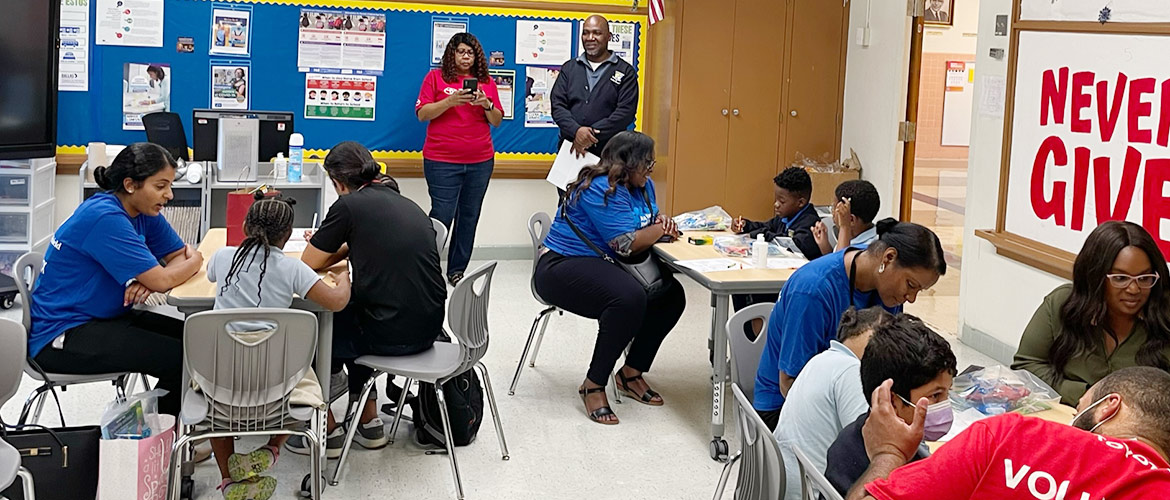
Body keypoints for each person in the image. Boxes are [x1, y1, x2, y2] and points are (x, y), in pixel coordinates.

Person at [287, 141, 447, 456]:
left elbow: (308, 263)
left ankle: (328, 428)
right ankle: (369, 420)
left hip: (390, 335)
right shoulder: (402, 201)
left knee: (318, 322)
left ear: (337, 183)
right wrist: (345, 249)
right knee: (359, 308)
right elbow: (371, 244)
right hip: (429, 330)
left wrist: (336, 255)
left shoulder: (348, 206)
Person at [28, 143, 203, 416]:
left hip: (103, 316)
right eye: (160, 186)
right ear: (131, 185)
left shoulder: (144, 211)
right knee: (181, 358)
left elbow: (174, 259)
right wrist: (194, 261)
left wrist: (152, 278)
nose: (169, 195)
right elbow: (175, 268)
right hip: (63, 334)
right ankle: (160, 443)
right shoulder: (104, 217)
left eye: (169, 185)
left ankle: (160, 427)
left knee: (197, 339)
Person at [205, 194, 351, 500]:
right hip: (276, 382)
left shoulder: (222, 256)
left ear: (245, 226)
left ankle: (228, 480)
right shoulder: (293, 269)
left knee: (217, 413)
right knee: (310, 382)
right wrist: (343, 276)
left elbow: (210, 276)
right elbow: (336, 302)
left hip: (220, 380)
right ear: (287, 236)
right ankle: (273, 447)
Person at [534, 131, 686, 425]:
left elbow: (647, 221)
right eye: (647, 163)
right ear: (628, 163)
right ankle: (593, 383)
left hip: (607, 263)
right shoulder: (601, 188)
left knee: (671, 296)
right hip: (562, 265)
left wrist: (659, 224)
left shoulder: (643, 186)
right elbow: (624, 243)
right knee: (628, 299)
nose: (651, 170)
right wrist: (660, 229)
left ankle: (631, 373)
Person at [846, 366, 1170, 500]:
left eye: (1080, 406)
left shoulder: (1010, 436)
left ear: (1107, 407)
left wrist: (889, 453)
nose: (1073, 418)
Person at [753, 219, 946, 429]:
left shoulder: (883, 281)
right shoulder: (813, 291)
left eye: (919, 290)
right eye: (911, 285)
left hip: (849, 393)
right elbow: (789, 383)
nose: (911, 298)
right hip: (783, 407)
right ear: (888, 258)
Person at [1013, 221, 1170, 405]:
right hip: (1068, 416)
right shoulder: (1063, 304)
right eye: (1120, 278)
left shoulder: (1164, 315)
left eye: (1144, 278)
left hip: (1142, 427)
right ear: (1094, 277)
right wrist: (1086, 395)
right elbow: (1025, 367)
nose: (1134, 289)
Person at [824, 314, 957, 497]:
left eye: (947, 393)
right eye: (935, 396)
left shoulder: (851, 436)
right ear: (892, 401)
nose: (945, 405)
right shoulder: (899, 471)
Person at [775, 307, 893, 500]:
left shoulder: (821, 359)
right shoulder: (851, 372)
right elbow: (868, 446)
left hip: (786, 482)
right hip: (815, 491)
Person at [415, 32, 503, 286]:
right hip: (441, 161)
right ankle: (428, 269)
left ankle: (456, 270)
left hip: (480, 161)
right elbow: (422, 113)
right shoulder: (435, 78)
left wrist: (486, 104)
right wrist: (451, 100)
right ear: (451, 54)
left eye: (470, 52)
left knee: (469, 216)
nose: (466, 56)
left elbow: (496, 120)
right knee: (441, 214)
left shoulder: (486, 82)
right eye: (461, 51)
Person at [550, 15, 638, 159]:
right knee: (572, 183)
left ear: (609, 36)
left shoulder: (625, 71)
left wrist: (589, 135)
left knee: (607, 183)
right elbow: (557, 106)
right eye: (586, 32)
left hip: (610, 153)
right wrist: (576, 131)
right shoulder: (569, 68)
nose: (590, 37)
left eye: (597, 33)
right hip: (572, 149)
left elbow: (625, 112)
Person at [813, 179, 881, 254]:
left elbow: (840, 263)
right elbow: (834, 260)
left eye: (834, 208)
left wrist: (844, 227)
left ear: (851, 220)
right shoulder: (852, 236)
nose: (832, 212)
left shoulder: (866, 252)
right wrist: (824, 245)